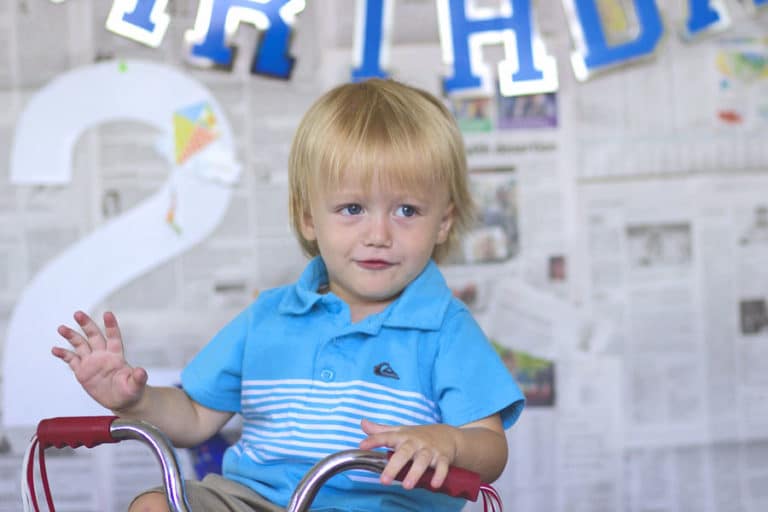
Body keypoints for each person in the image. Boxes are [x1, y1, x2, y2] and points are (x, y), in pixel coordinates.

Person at [52, 78, 525, 512]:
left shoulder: (444, 327)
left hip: (378, 505)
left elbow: (491, 446)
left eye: (406, 209)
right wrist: (134, 402)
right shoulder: (269, 318)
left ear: (443, 222)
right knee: (154, 506)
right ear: (308, 218)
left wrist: (450, 442)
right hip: (254, 500)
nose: (378, 233)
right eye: (352, 208)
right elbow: (195, 416)